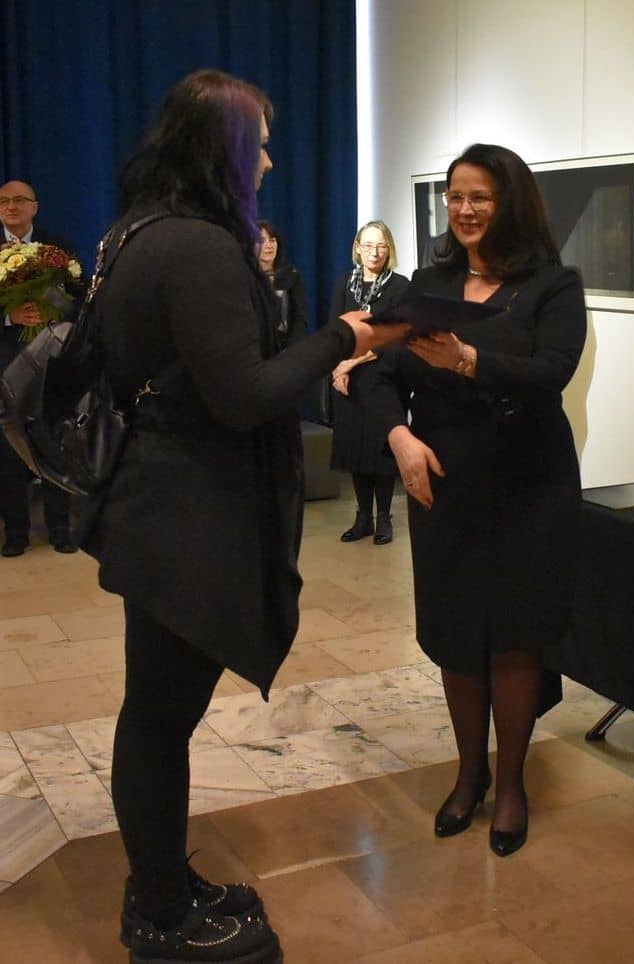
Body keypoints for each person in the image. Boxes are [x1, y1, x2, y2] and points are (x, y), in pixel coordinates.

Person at [80, 69, 405, 963]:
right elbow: (246, 394)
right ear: (222, 151)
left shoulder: (138, 229)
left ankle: (164, 881)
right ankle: (159, 913)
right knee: (160, 718)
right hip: (183, 514)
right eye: (257, 145)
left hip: (155, 504)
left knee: (158, 712)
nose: (268, 161)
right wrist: (343, 337)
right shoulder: (197, 246)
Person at [370, 143, 586, 857]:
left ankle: (513, 785)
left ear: (511, 202)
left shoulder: (553, 284)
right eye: (455, 196)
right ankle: (469, 775)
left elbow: (551, 372)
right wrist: (399, 437)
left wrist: (467, 360)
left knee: (516, 637)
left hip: (529, 485)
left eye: (480, 197)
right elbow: (375, 372)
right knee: (458, 635)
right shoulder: (426, 284)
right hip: (443, 483)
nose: (464, 209)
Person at [0, 179, 78, 556]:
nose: (10, 207)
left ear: (35, 206)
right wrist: (9, 316)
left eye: (19, 200)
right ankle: (16, 531)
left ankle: (60, 527)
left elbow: (78, 299)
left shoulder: (57, 248)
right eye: (3, 201)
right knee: (7, 448)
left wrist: (49, 307)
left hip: (49, 360)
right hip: (4, 362)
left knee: (52, 440)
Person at [327, 221, 408, 544]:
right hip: (348, 380)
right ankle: (363, 517)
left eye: (381, 246)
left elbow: (393, 336)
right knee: (356, 450)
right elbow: (336, 331)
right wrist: (338, 368)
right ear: (357, 248)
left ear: (389, 250)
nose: (375, 252)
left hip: (384, 376)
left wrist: (351, 362)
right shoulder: (344, 283)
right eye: (369, 245)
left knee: (381, 450)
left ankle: (384, 518)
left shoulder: (400, 286)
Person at [257, 219, 309, 348]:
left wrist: (291, 350)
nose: (269, 245)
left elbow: (300, 319)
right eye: (262, 241)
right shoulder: (246, 276)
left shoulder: (291, 276)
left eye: (272, 240)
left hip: (287, 349)